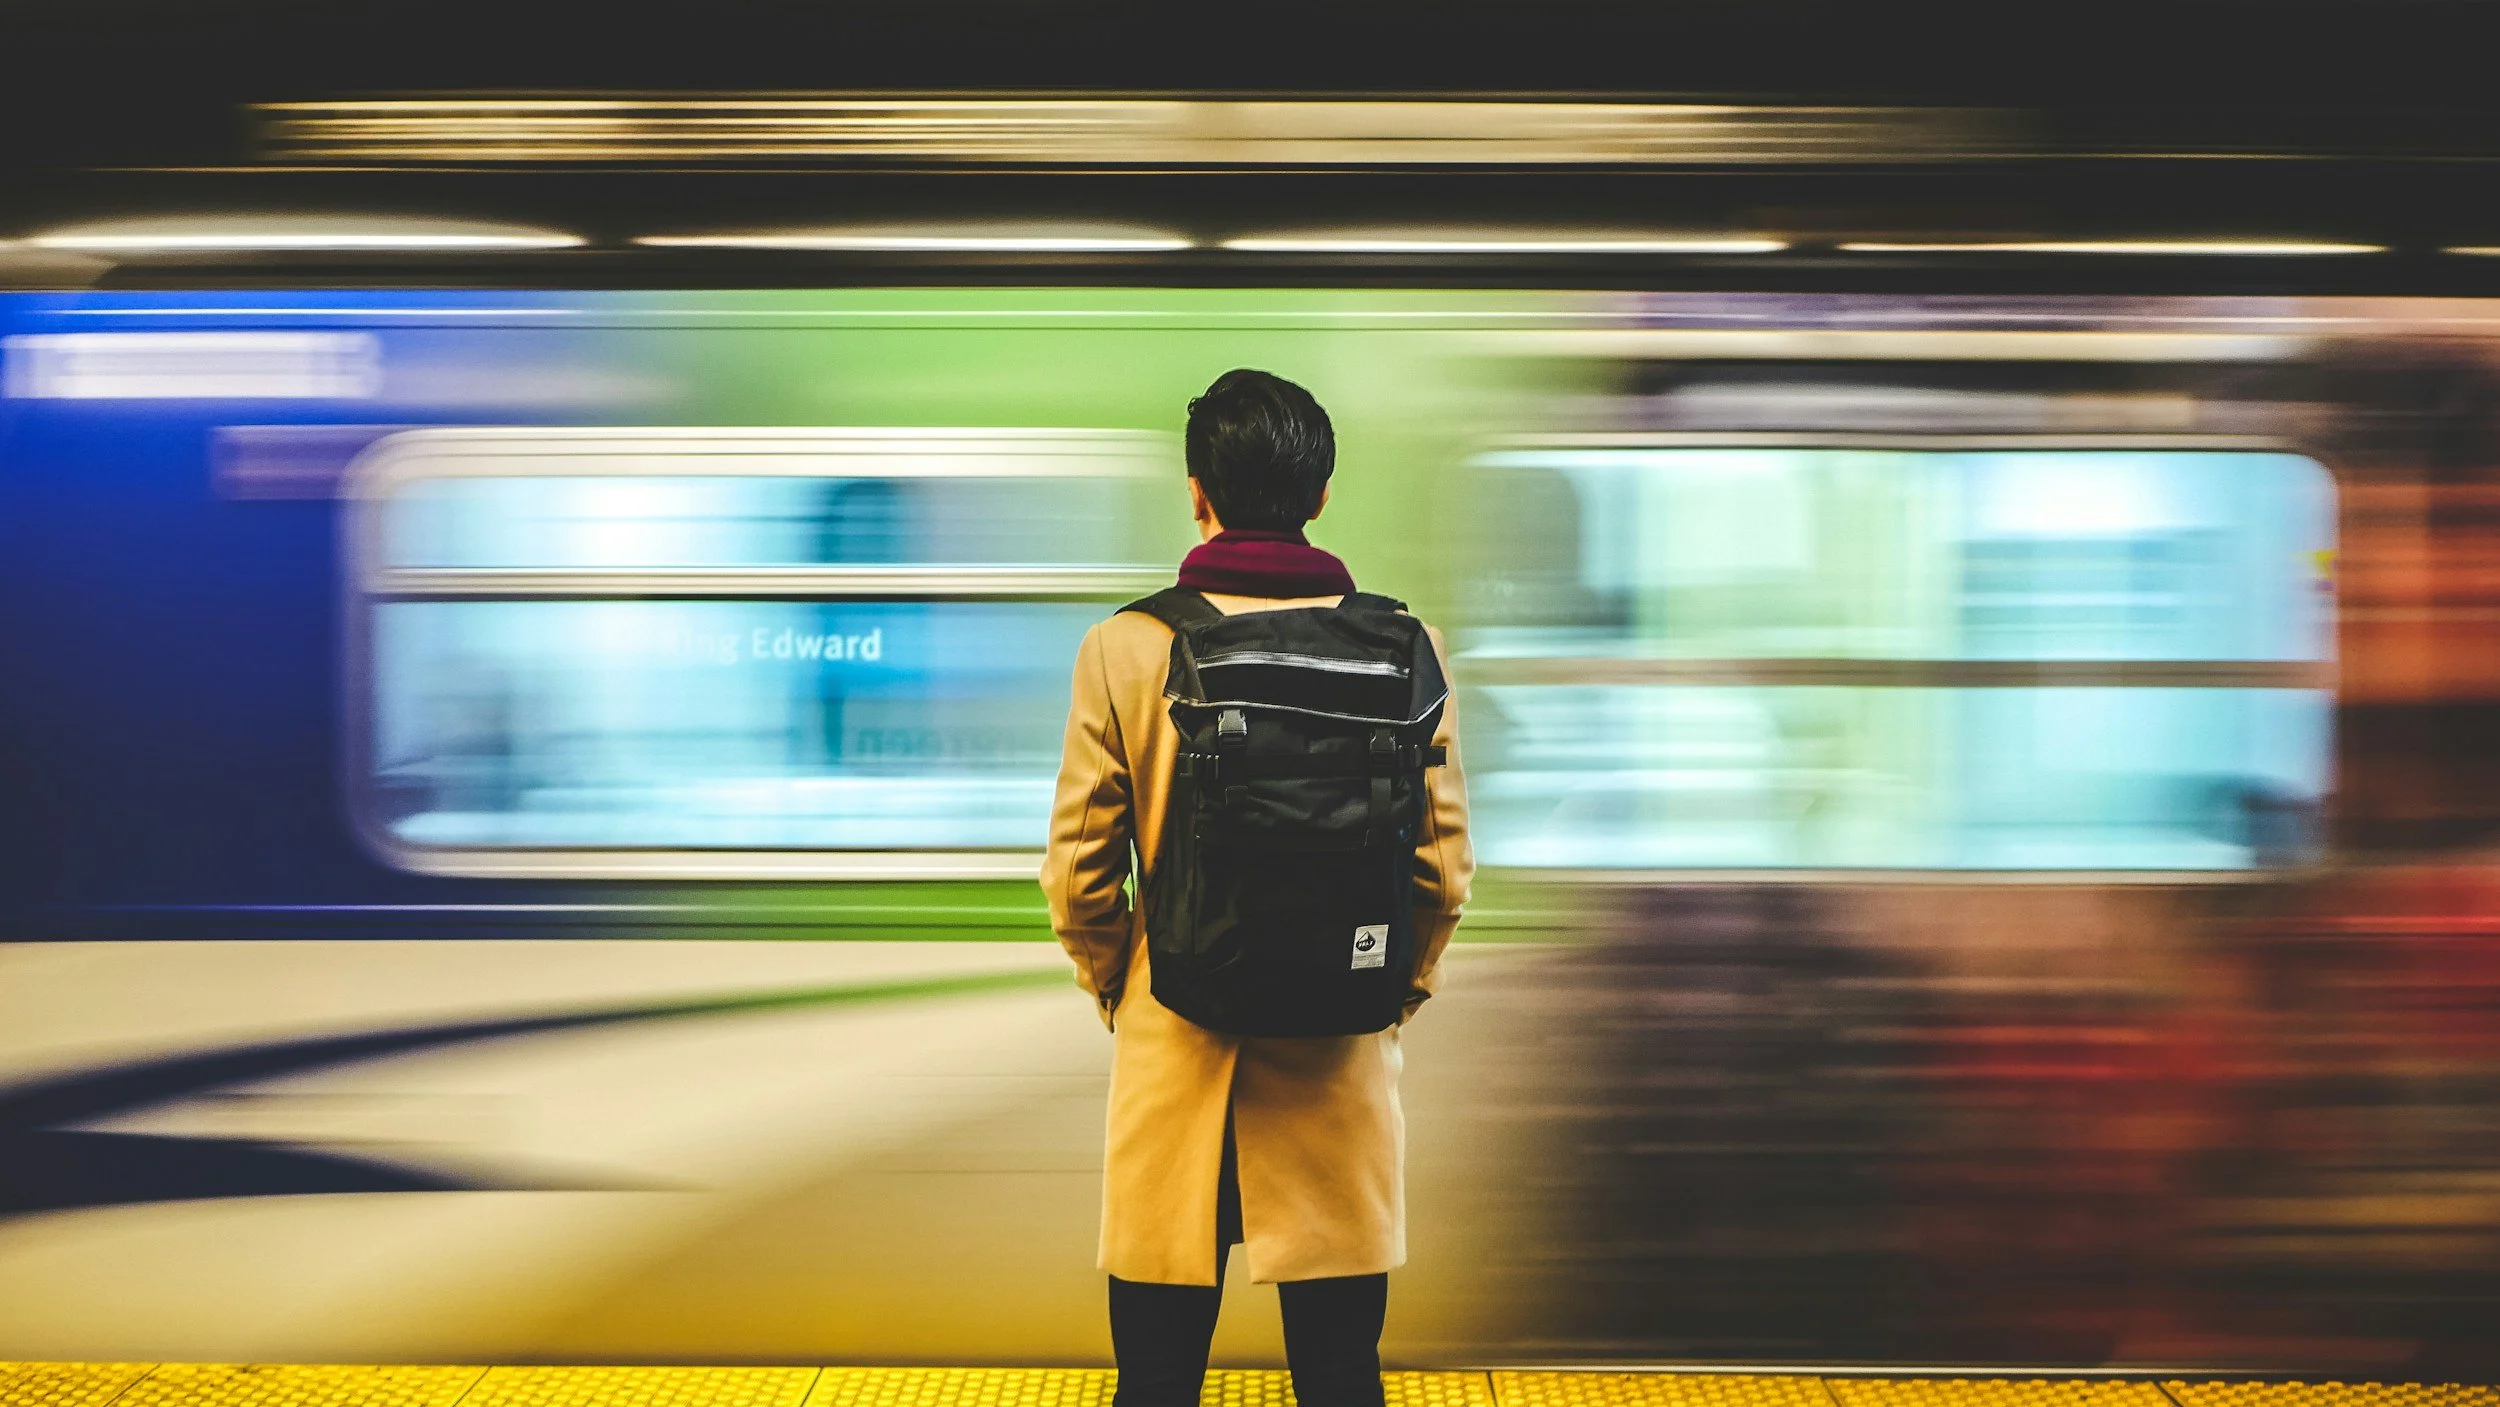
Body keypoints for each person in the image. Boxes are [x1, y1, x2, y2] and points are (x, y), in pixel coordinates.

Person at [1042, 368, 1473, 1407]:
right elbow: (1442, 868)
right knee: (1335, 1372)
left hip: (1175, 1043)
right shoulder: (1404, 650)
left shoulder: (1126, 647)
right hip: (1336, 1052)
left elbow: (1079, 873)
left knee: (1155, 1375)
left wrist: (1123, 987)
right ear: (1320, 495)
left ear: (1199, 492)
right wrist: (1391, 993)